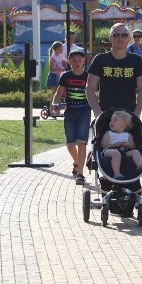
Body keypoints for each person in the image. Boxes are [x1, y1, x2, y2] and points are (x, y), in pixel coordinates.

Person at [86, 22, 142, 117]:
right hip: (105, 114)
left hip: (129, 114)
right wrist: (97, 112)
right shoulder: (100, 59)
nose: (120, 38)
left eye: (124, 35)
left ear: (129, 38)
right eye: (116, 35)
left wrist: (137, 113)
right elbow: (89, 87)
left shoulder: (136, 60)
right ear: (110, 38)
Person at [53, 49, 91, 185]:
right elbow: (58, 93)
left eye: (79, 60)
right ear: (69, 62)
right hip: (70, 112)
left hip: (84, 112)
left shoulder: (88, 76)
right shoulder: (66, 76)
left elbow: (93, 93)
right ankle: (77, 161)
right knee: (70, 144)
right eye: (74, 61)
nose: (76, 63)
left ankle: (80, 173)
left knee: (82, 141)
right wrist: (55, 103)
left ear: (83, 61)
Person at [100, 110, 142, 180]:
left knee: (135, 152)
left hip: (124, 151)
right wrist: (112, 145)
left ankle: (140, 166)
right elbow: (103, 144)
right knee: (116, 153)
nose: (111, 121)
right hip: (110, 151)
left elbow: (133, 146)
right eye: (111, 120)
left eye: (115, 120)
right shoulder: (108, 133)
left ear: (123, 125)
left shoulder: (128, 135)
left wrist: (127, 144)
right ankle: (117, 173)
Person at [126, 30, 142, 120]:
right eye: (135, 36)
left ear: (141, 37)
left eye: (138, 36)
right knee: (132, 93)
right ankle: (134, 114)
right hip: (132, 73)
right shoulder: (130, 48)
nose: (136, 38)